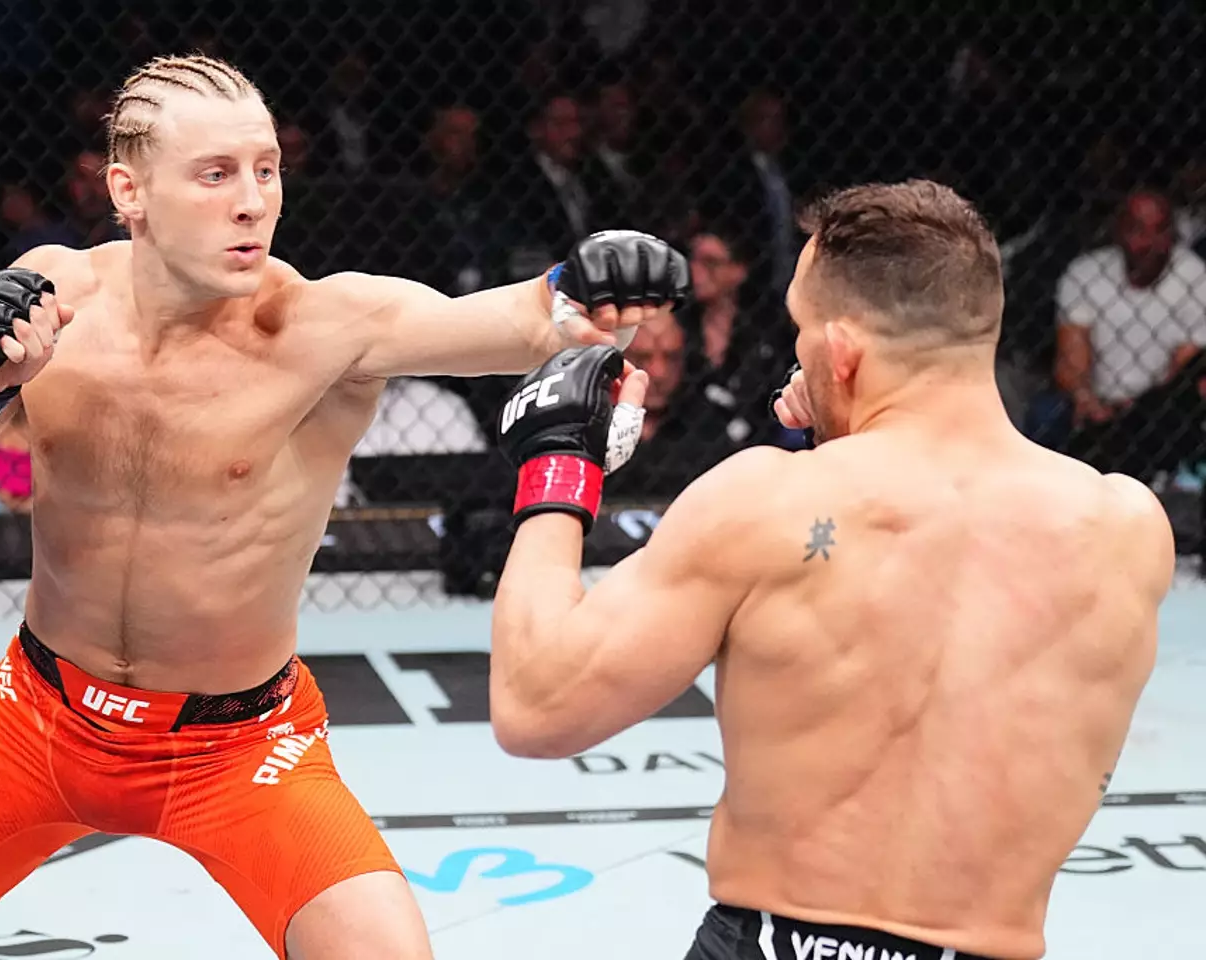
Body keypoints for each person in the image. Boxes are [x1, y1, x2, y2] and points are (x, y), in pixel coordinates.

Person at [0, 54, 687, 960]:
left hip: (236, 750)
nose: (253, 201)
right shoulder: (54, 298)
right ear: (130, 191)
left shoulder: (325, 327)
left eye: (266, 169)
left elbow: (528, 320)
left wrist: (586, 283)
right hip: (37, 719)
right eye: (216, 174)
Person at [488, 179, 1173, 960]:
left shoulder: (767, 503)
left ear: (842, 350)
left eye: (801, 330)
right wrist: (842, 429)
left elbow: (536, 704)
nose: (796, 353)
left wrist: (557, 465)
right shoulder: (1126, 527)